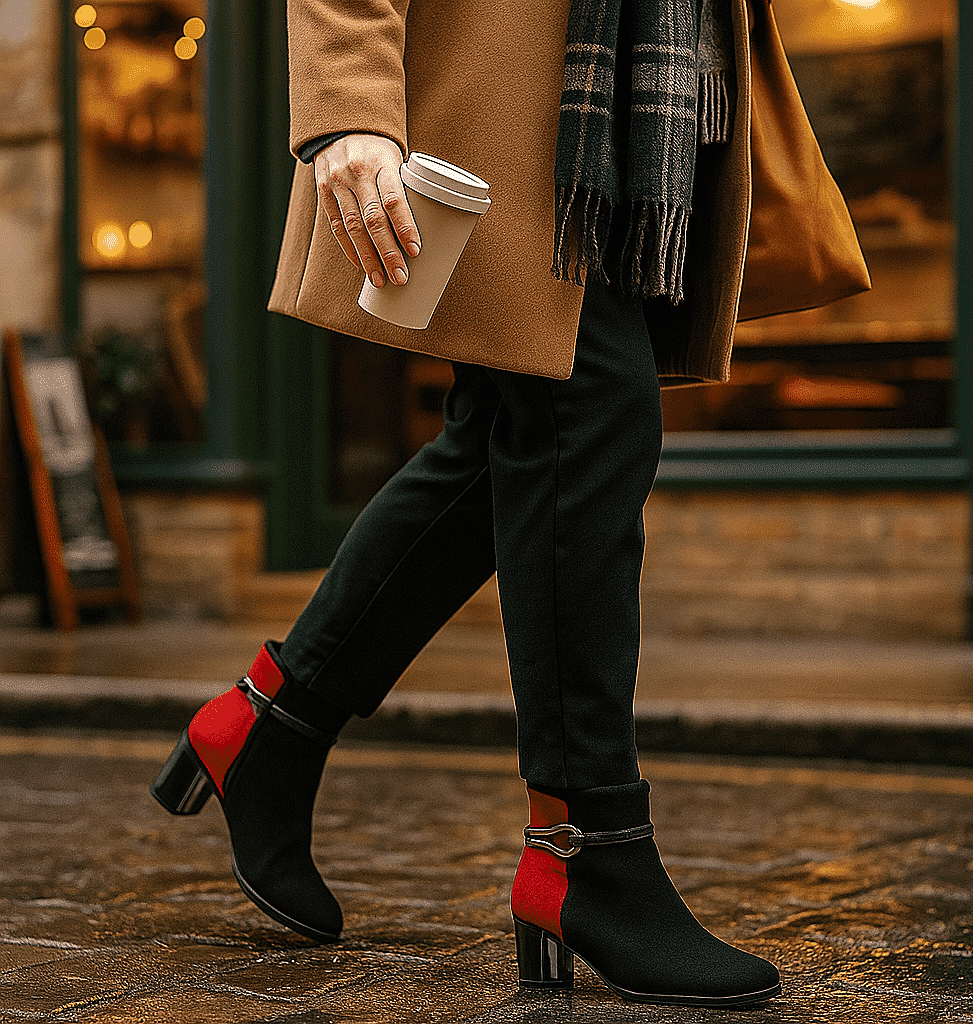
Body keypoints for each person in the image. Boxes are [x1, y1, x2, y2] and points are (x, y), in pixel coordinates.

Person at [151, 0, 863, 1007]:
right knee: (590, 407)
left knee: (515, 434)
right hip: (513, 86)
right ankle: (585, 846)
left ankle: (268, 721)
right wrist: (349, 99)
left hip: (621, 90)